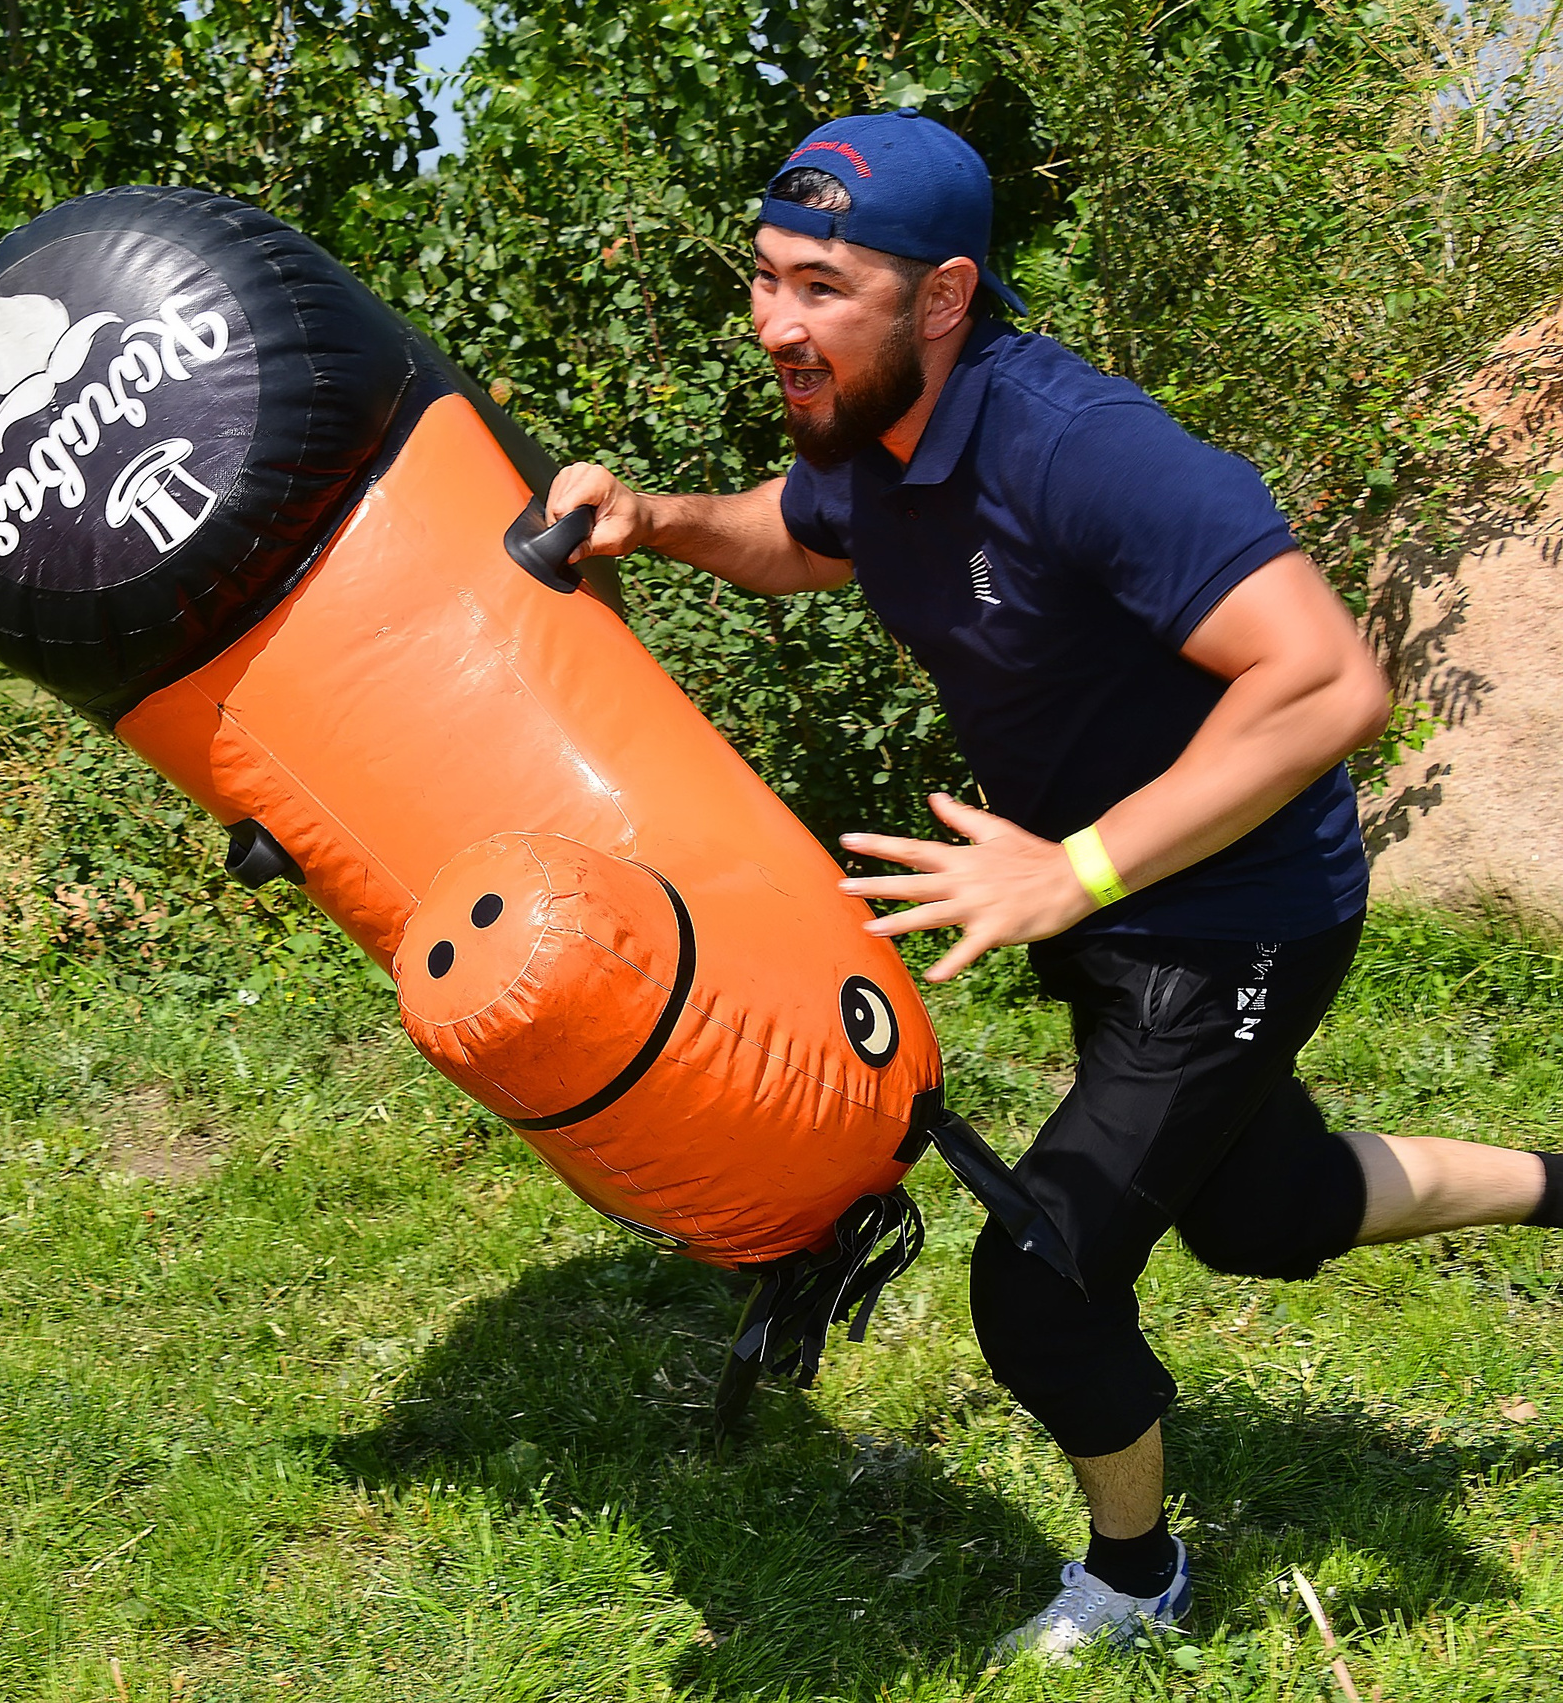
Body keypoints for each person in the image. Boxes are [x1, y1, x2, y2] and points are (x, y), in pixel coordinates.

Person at [546, 108, 1563, 1663]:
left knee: (1040, 1286)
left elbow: (1327, 682)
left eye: (822, 287)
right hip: (1097, 906)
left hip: (1232, 917)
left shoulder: (1082, 450)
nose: (775, 326)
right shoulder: (882, 443)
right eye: (763, 281)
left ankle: (1141, 1572)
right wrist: (662, 522)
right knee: (1262, 1207)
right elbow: (803, 536)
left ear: (943, 295)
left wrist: (1075, 869)